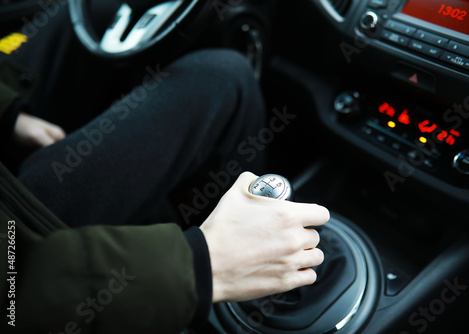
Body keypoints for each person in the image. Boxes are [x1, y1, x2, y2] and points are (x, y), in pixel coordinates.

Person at [0, 6, 330, 334]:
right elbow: (14, 295)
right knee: (225, 77)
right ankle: (243, 273)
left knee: (102, 10)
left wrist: (8, 112)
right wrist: (199, 266)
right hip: (19, 246)